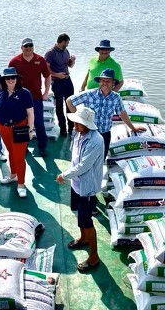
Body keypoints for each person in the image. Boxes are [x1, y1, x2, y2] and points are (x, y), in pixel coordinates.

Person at [56, 107, 104, 273]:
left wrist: (64, 175)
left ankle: (94, 257)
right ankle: (83, 239)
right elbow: (74, 156)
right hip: (76, 183)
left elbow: (84, 166)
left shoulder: (95, 141)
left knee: (87, 221)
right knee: (78, 214)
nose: (75, 125)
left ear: (88, 125)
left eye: (79, 123)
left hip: (87, 187)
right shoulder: (77, 133)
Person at [67, 68, 145, 159]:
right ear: (99, 82)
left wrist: (132, 127)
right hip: (89, 133)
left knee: (101, 159)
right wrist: (80, 120)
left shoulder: (116, 97)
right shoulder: (90, 94)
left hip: (105, 134)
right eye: (102, 81)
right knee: (84, 159)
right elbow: (69, 101)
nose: (105, 83)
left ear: (113, 84)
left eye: (108, 81)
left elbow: (122, 113)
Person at [0, 67, 34, 198]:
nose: (10, 80)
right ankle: (13, 175)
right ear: (4, 80)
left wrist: (30, 130)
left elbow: (30, 113)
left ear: (17, 79)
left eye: (13, 78)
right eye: (7, 78)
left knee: (19, 156)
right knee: (11, 152)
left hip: (19, 128)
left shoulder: (25, 93)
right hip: (3, 128)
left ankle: (21, 184)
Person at [9, 38, 50, 157]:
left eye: (30, 46)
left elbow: (47, 76)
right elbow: (8, 79)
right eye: (25, 46)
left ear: (33, 47)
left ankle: (42, 147)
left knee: (39, 123)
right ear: (21, 48)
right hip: (19, 100)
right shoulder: (14, 61)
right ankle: (24, 147)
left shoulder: (40, 60)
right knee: (21, 123)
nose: (28, 48)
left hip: (36, 99)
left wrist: (46, 92)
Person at [44, 33, 76, 137]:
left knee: (70, 104)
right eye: (67, 42)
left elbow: (69, 66)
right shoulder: (50, 53)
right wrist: (57, 74)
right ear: (63, 42)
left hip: (67, 80)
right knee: (59, 106)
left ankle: (71, 127)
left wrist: (73, 61)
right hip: (57, 82)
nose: (68, 44)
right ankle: (63, 128)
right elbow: (46, 69)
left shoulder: (66, 51)